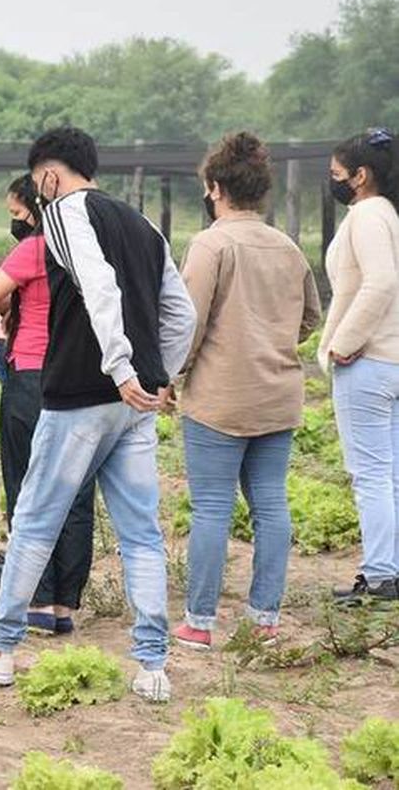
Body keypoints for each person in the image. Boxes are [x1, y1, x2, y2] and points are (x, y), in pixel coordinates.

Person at [0, 125, 195, 703]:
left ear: (50, 176)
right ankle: (152, 667)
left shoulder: (63, 211)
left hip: (83, 393)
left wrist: (122, 367)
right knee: (140, 533)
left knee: (34, 518)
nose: (39, 194)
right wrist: (161, 374)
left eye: (38, 184)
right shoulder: (143, 224)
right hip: (134, 406)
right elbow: (182, 310)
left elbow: (99, 288)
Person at [172, 132, 321, 647]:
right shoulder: (288, 247)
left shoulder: (211, 243)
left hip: (220, 399)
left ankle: (199, 622)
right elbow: (310, 319)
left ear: (215, 188)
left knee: (212, 508)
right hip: (278, 397)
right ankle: (264, 619)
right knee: (272, 506)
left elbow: (187, 324)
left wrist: (171, 375)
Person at [0, 175, 96, 634]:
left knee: (27, 487)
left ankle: (36, 599)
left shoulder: (35, 249)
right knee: (77, 490)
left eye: (21, 214)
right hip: (85, 378)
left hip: (32, 376)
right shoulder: (93, 248)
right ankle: (65, 605)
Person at [319, 127, 399, 605]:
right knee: (390, 473)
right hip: (393, 359)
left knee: (370, 473)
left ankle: (380, 574)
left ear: (360, 176)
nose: (332, 182)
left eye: (336, 174)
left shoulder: (367, 216)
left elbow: (381, 283)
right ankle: (389, 570)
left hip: (368, 363)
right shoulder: (389, 214)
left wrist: (344, 343)